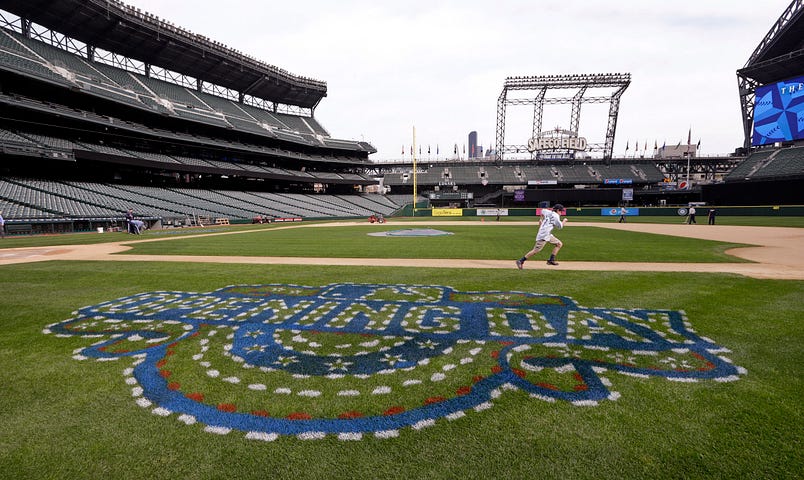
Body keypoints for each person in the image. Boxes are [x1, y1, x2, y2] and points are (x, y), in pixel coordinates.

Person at [516, 203, 568, 268]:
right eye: (561, 211)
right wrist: (564, 220)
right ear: (557, 210)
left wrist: (541, 219)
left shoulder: (548, 211)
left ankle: (551, 260)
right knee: (535, 250)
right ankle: (521, 261)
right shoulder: (556, 216)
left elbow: (542, 211)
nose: (561, 212)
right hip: (544, 235)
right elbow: (560, 227)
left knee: (559, 244)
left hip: (547, 234)